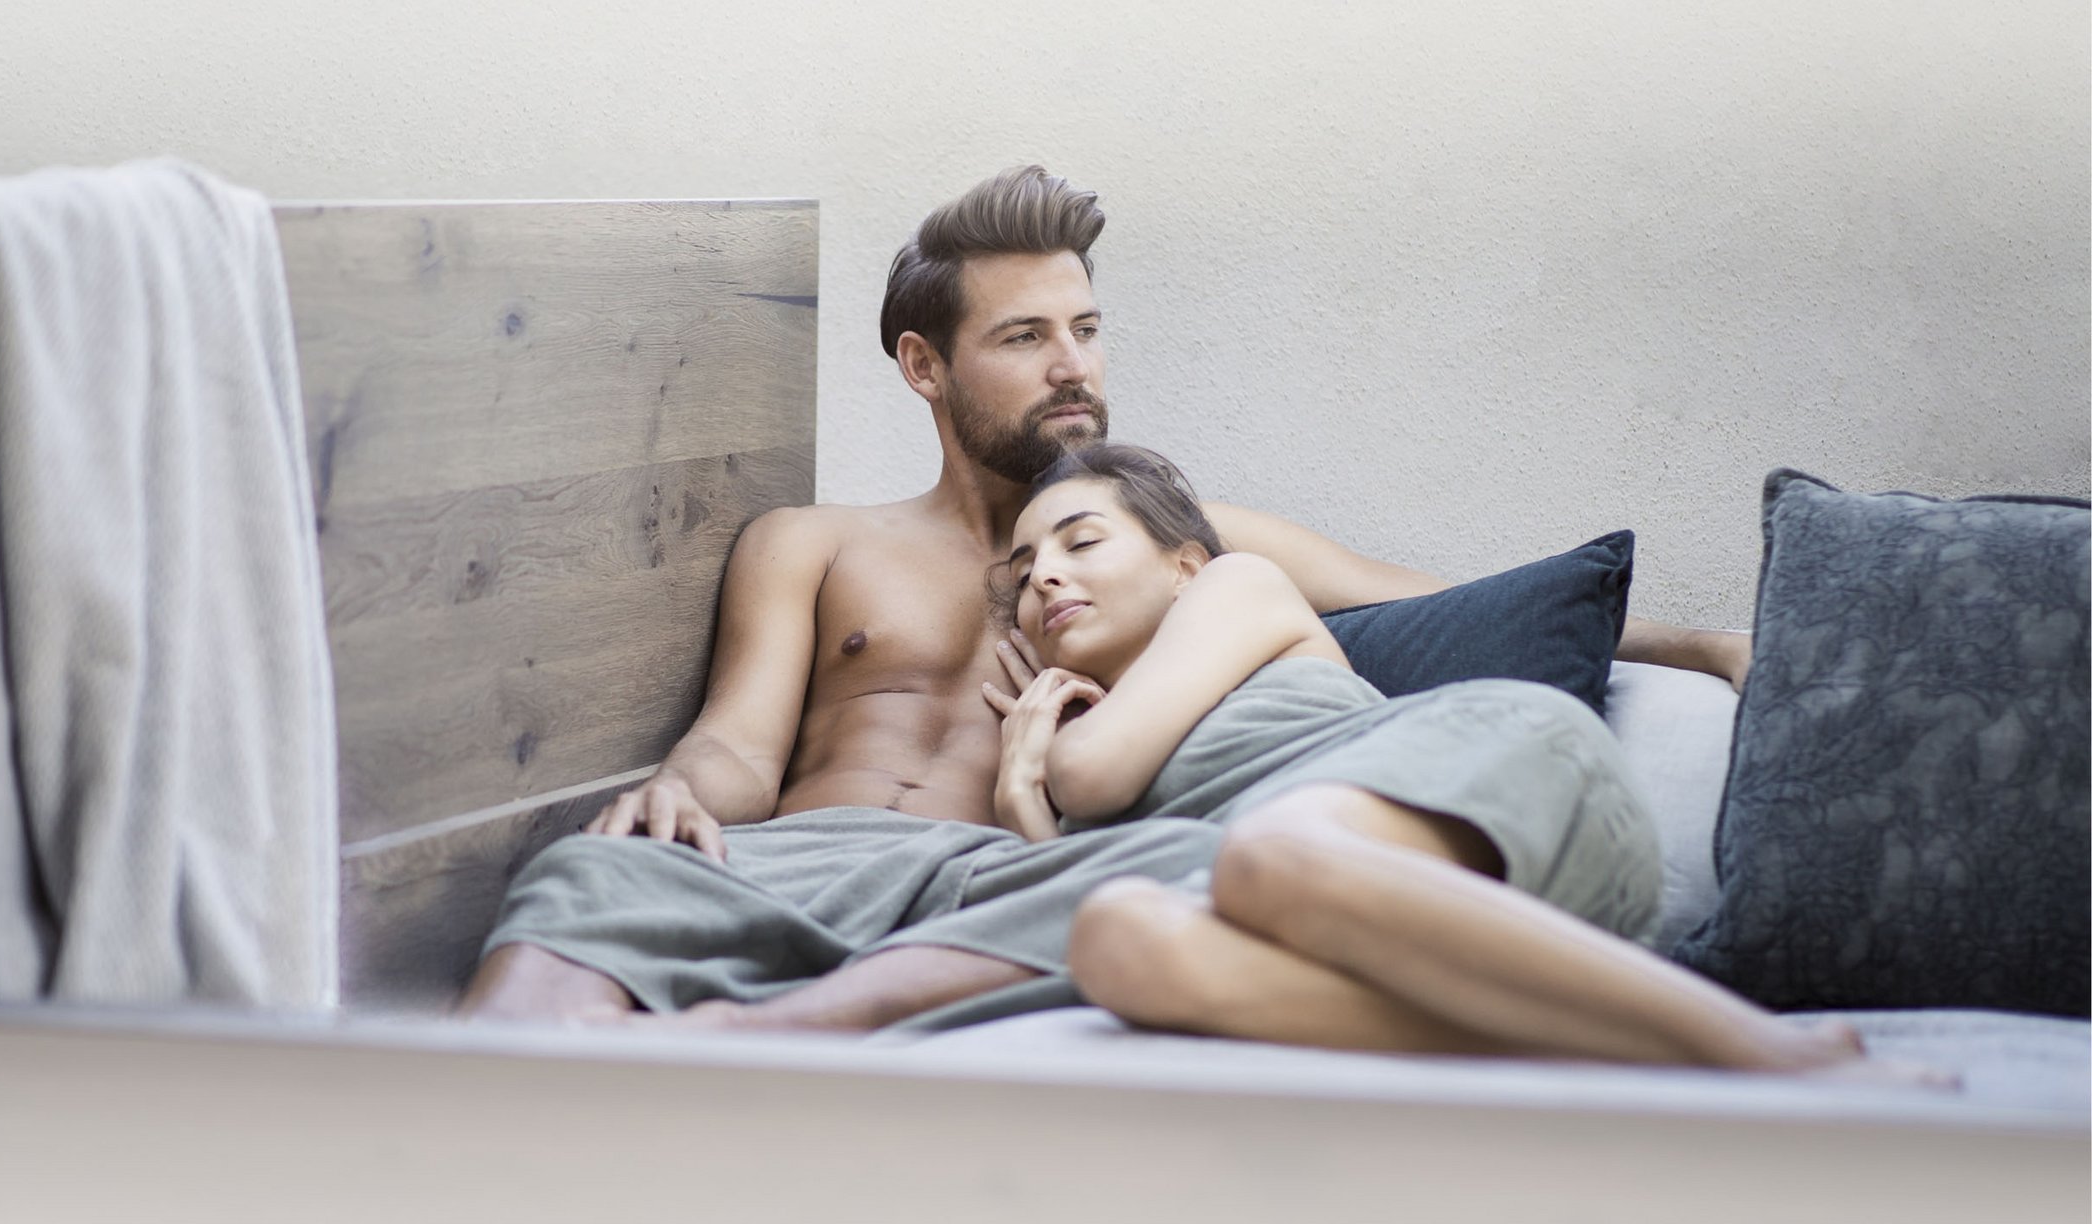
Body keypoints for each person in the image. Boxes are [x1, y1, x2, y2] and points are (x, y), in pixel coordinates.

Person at [458, 166, 1753, 1032]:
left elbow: (1453, 601)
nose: (1071, 364)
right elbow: (740, 743)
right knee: (589, 872)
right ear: (923, 365)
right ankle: (477, 1142)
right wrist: (679, 790)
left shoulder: (1174, 541)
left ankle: (769, 1041)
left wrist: (1699, 643)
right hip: (809, 852)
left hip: (1007, 871)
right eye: (1025, 337)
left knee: (1187, 863)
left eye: (1084, 328)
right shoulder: (812, 539)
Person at [990, 442, 1905, 1074]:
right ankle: (1615, 1046)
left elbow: (1090, 772)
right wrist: (1020, 808)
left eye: (1081, 541)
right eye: (1025, 575)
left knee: (1272, 851)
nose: (1048, 576)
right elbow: (1075, 903)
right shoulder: (1109, 756)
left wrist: (1045, 767)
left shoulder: (1237, 585)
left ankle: (1761, 1046)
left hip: (1499, 789)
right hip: (1388, 923)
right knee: (1117, 940)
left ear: (1184, 565)